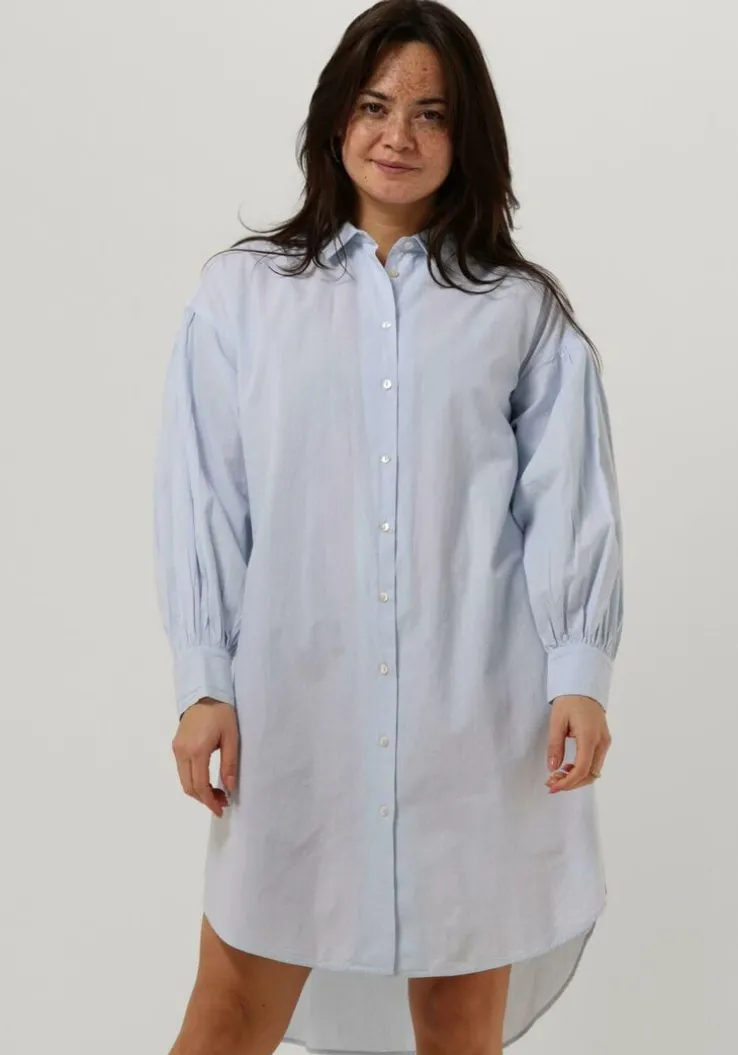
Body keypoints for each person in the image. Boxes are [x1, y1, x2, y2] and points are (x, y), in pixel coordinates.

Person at [152, 1, 624, 1052]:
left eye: (429, 113)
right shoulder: (243, 297)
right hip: (296, 709)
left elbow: (567, 500)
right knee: (228, 1008)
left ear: (467, 136)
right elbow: (204, 495)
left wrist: (579, 673)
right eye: (373, 106)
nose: (397, 136)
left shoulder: (518, 310)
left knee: (458, 1021)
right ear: (335, 120)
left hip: (476, 716)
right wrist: (203, 679)